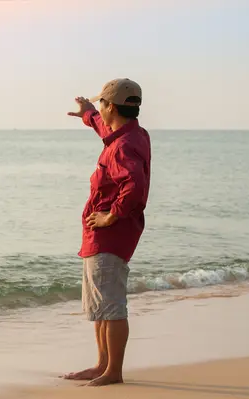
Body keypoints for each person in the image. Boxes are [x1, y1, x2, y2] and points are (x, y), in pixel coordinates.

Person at [62, 78, 151, 386]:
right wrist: (88, 113)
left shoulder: (124, 146)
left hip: (110, 237)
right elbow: (104, 128)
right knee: (100, 304)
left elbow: (134, 186)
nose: (99, 108)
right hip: (100, 237)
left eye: (101, 104)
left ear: (111, 106)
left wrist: (110, 217)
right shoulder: (130, 135)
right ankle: (102, 364)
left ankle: (113, 371)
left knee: (111, 305)